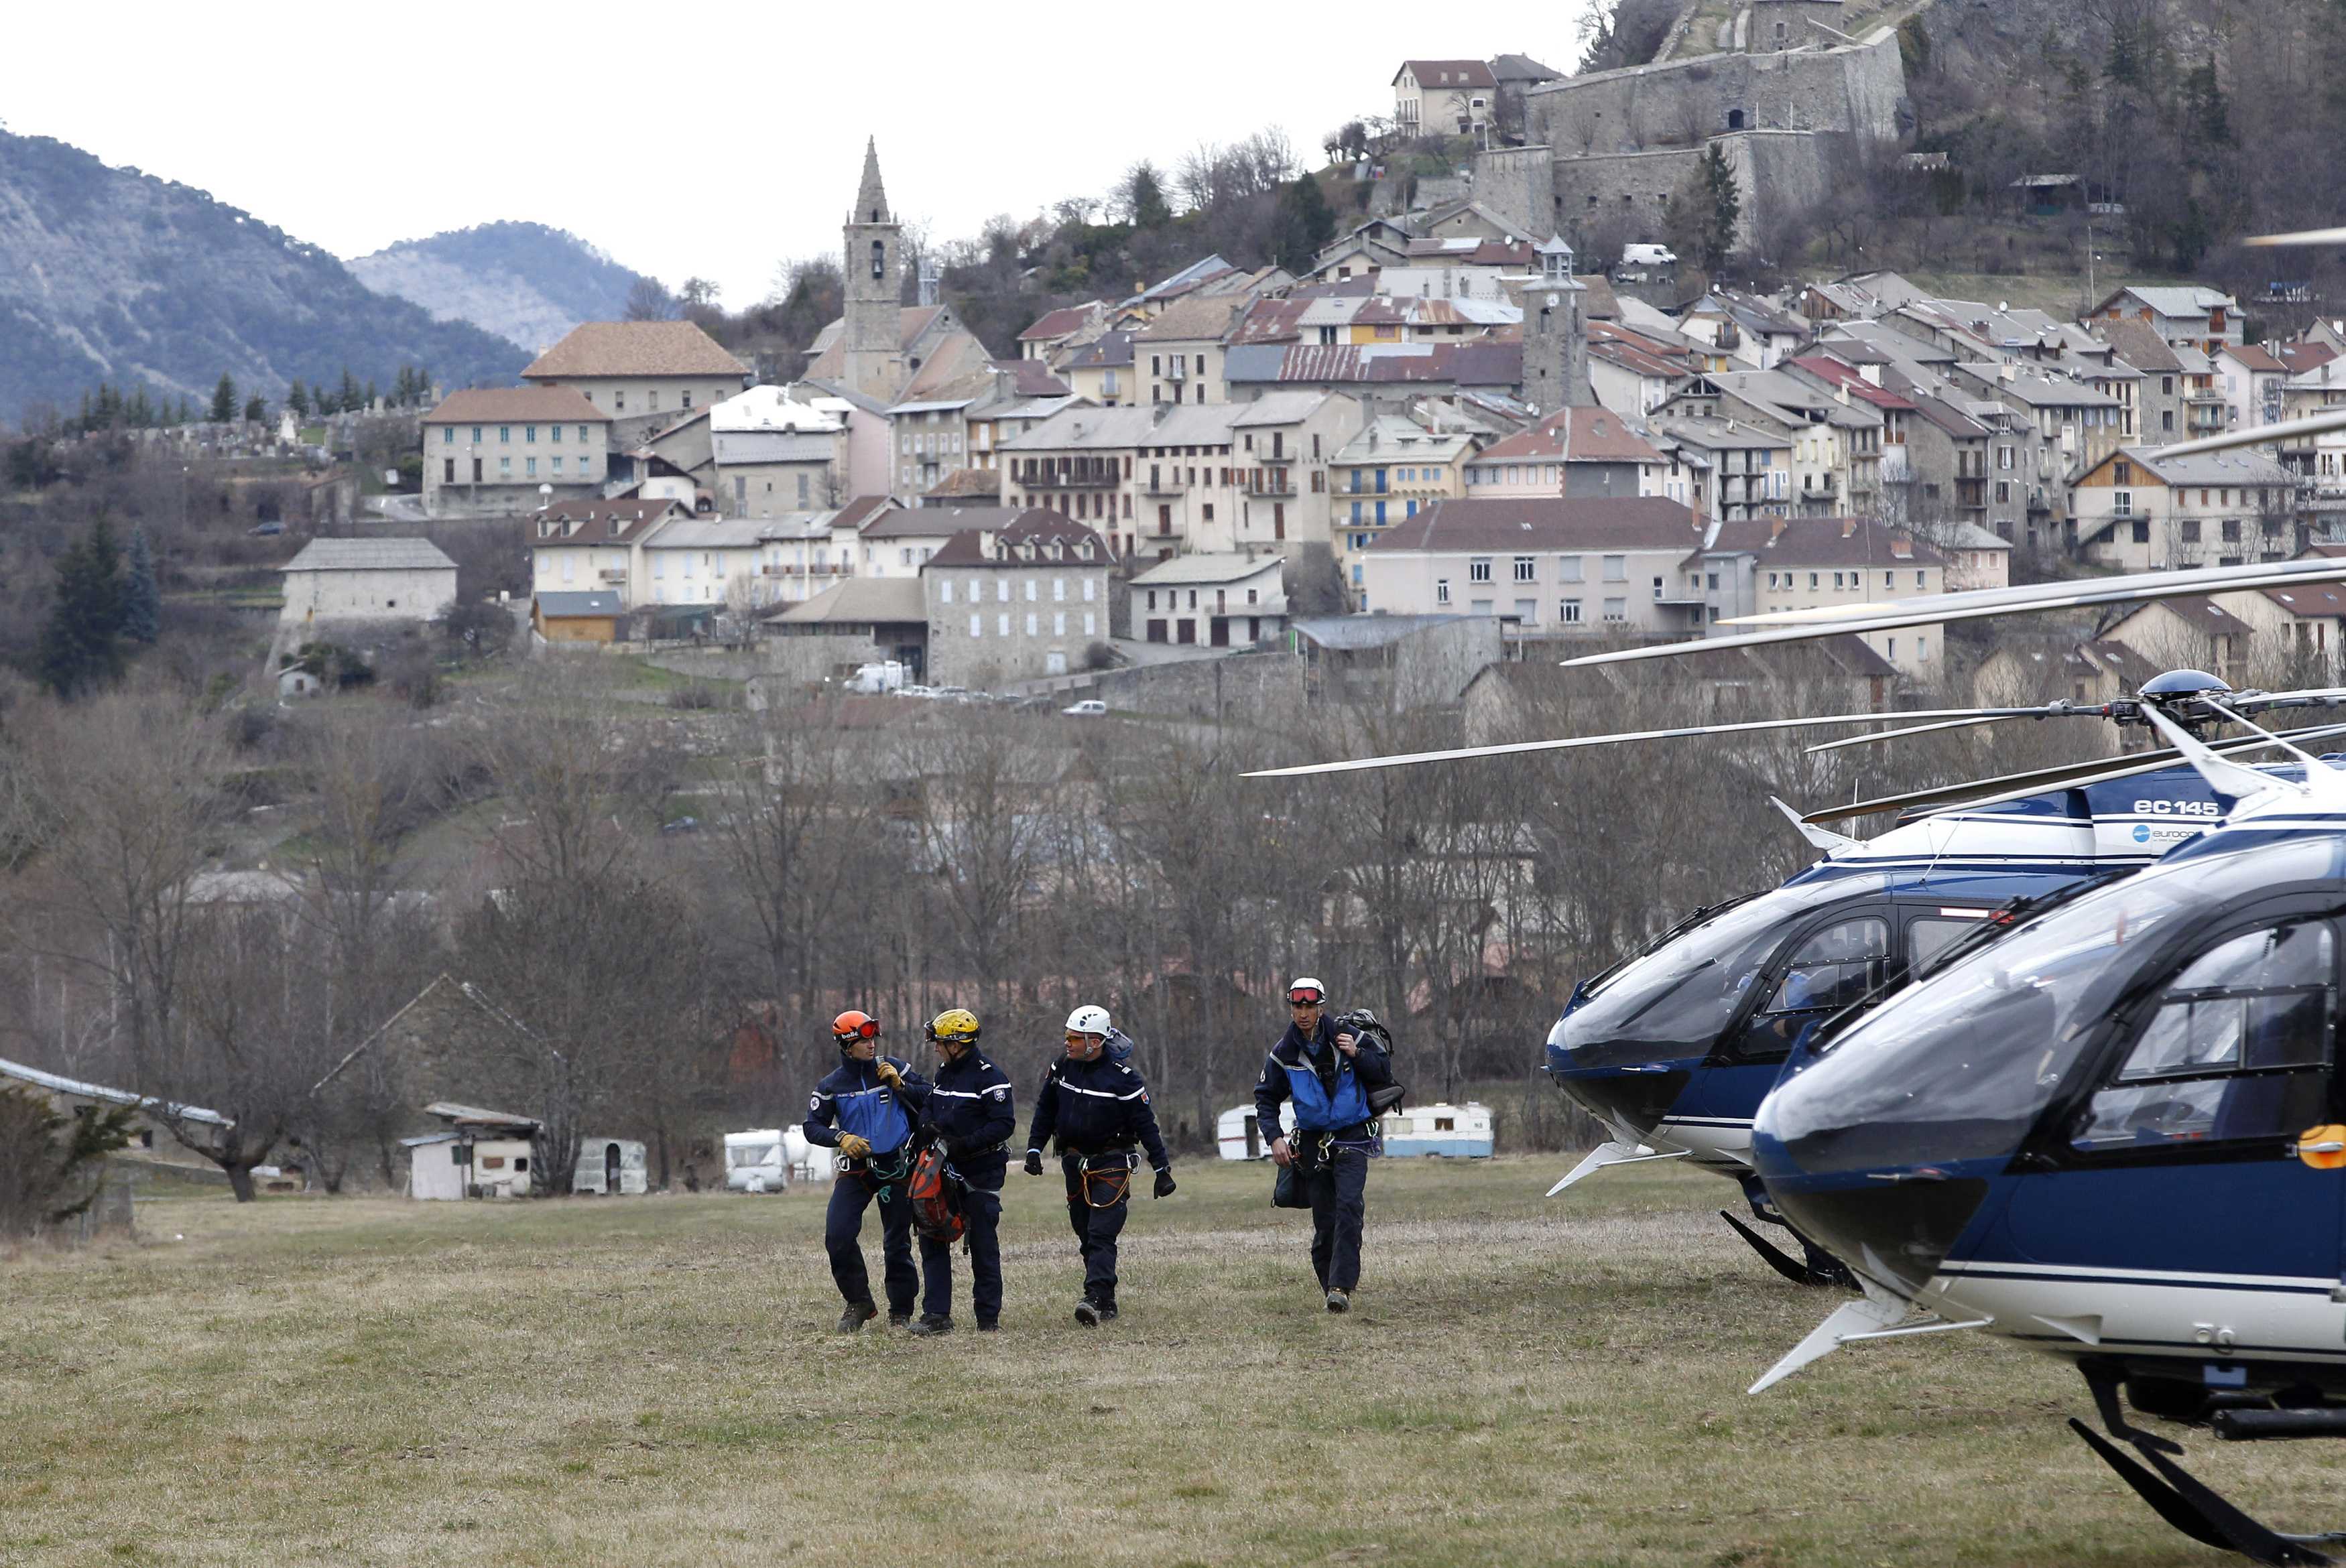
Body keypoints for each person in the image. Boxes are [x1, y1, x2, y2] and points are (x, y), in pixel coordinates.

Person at [1024, 1004, 1175, 1326]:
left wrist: (1162, 1169)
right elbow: (1045, 1109)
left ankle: (1093, 1297)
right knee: (1085, 1234)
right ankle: (1106, 1300)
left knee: (1101, 1233)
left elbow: (1146, 1125)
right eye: (1067, 1036)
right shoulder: (1062, 1066)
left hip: (1112, 1163)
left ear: (1095, 1042)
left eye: (1074, 1038)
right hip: (1074, 1163)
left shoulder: (1124, 1079)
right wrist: (1034, 1149)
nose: (1067, 1043)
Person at [1253, 976, 1393, 1314]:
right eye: (1297, 1006)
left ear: (1321, 1007)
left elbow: (1382, 1072)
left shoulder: (1350, 1037)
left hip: (1353, 1137)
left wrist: (1357, 1054)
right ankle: (1328, 1283)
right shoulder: (1283, 1053)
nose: (1303, 1013)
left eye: (1309, 1006)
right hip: (1313, 1145)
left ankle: (1341, 1286)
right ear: (1291, 1008)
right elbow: (1266, 1099)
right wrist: (1274, 1137)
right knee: (1325, 1220)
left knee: (1349, 1209)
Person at [802, 1010, 931, 1333]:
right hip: (857, 1170)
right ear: (846, 1044)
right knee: (838, 1234)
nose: (871, 1044)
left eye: (873, 1037)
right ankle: (859, 1302)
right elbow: (811, 1127)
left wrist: (901, 1086)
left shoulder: (894, 1067)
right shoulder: (831, 1085)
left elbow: (932, 1097)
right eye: (864, 1039)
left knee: (896, 1242)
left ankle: (901, 1310)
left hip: (897, 1167)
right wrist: (840, 1137)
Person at [908, 1007, 1014, 1336]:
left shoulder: (991, 1077)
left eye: (940, 1042)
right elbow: (930, 1102)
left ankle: (987, 1319)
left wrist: (962, 1144)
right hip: (943, 1168)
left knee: (983, 1242)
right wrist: (926, 1125)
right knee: (931, 1235)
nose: (936, 1048)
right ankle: (937, 1315)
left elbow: (1003, 1125)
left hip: (982, 1171)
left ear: (956, 1044)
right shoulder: (943, 1073)